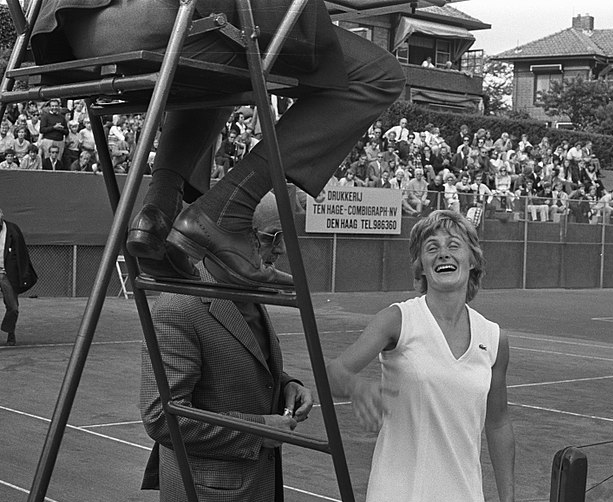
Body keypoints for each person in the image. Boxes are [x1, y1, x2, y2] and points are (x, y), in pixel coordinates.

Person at [32, 0, 405, 287]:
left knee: (225, 61)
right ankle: (226, 210)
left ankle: (158, 211)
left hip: (74, 30)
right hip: (162, 17)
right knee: (379, 73)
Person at [327, 210, 515, 502]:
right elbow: (334, 371)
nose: (443, 252)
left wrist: (508, 501)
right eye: (432, 247)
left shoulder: (494, 338)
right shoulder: (397, 320)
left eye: (454, 245)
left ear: (472, 261)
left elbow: (498, 423)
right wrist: (358, 388)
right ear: (422, 268)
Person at [139, 192, 312, 502]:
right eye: (272, 238)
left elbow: (244, 362)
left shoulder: (246, 287)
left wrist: (287, 385)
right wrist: (258, 429)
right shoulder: (180, 306)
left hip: (250, 497)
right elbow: (161, 417)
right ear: (232, 236)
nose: (280, 250)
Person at [0, 208, 38, 346]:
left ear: (2, 214)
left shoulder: (12, 230)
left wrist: (23, 275)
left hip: (6, 274)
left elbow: (22, 254)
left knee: (13, 307)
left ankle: (10, 332)